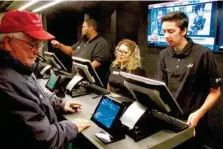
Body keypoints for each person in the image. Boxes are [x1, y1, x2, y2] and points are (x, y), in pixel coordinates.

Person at [0, 10, 90, 149]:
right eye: (32, 44)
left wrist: (59, 104)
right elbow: (43, 139)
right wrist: (72, 126)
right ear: (7, 42)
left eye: (39, 45)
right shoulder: (6, 82)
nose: (36, 51)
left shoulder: (19, 67)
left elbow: (35, 95)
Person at [157, 11, 221, 147]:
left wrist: (199, 113)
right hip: (171, 119)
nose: (166, 36)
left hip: (194, 121)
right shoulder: (164, 54)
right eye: (164, 31)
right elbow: (160, 87)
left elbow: (215, 92)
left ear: (183, 30)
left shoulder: (203, 54)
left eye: (171, 31)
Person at [51, 19, 111, 86]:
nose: (81, 29)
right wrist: (59, 45)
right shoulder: (83, 40)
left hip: (89, 85)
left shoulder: (101, 43)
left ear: (90, 28)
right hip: (76, 80)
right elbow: (72, 51)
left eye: (83, 27)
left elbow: (95, 64)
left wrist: (78, 75)